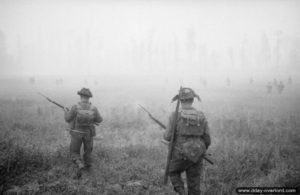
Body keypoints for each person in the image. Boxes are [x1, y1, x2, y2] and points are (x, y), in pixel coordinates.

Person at [164, 88, 211, 195]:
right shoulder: (201, 116)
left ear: (181, 101)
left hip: (180, 153)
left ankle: (181, 192)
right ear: (192, 100)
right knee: (194, 183)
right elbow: (207, 139)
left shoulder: (175, 115)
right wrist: (200, 150)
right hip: (198, 154)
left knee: (173, 171)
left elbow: (167, 136)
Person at [64, 88, 103, 177]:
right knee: (88, 151)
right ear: (89, 98)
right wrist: (92, 120)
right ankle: (88, 168)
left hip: (76, 132)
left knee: (74, 151)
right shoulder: (94, 108)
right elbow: (100, 120)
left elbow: (67, 119)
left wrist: (66, 112)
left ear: (80, 96)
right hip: (88, 133)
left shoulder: (75, 107)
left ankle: (79, 164)